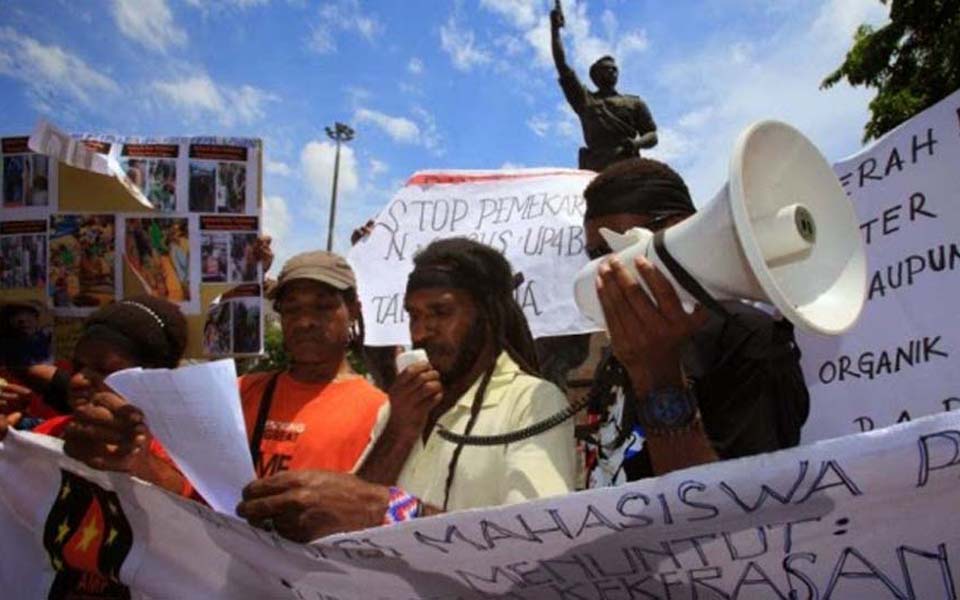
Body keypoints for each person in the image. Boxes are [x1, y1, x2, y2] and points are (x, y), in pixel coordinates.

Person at [236, 238, 577, 542]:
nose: (422, 332)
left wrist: (397, 512)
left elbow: (539, 544)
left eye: (441, 312)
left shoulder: (533, 403)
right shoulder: (399, 407)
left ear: (487, 316)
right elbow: (349, 521)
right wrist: (399, 429)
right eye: (413, 315)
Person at [580, 157, 810, 486]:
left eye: (610, 247)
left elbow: (737, 507)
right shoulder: (623, 346)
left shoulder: (747, 339)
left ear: (678, 226)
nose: (603, 268)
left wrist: (659, 374)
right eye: (593, 255)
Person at [550, 1, 657, 172]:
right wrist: (554, 31)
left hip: (628, 163)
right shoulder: (585, 100)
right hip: (596, 168)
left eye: (615, 70)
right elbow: (562, 65)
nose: (613, 72)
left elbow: (652, 134)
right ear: (596, 76)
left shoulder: (634, 103)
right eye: (607, 70)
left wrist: (637, 143)